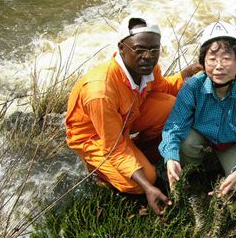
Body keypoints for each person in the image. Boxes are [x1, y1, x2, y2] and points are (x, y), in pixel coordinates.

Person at [66, 14, 202, 216]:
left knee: (172, 107)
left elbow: (163, 88)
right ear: (121, 48)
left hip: (126, 120)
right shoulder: (100, 90)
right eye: (139, 50)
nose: (147, 56)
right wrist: (148, 187)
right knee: (146, 179)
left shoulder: (148, 68)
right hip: (95, 136)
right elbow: (114, 146)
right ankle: (100, 169)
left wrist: (184, 75)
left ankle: (139, 155)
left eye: (154, 49)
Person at [159, 21, 236, 198]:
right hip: (201, 134)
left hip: (232, 141)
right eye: (212, 58)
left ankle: (229, 177)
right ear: (203, 62)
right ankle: (193, 170)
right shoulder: (193, 86)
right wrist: (170, 158)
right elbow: (174, 127)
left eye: (226, 58)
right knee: (183, 144)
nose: (219, 66)